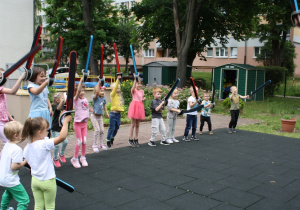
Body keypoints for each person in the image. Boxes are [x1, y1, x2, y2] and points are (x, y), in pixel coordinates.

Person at [22, 115, 72, 210]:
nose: (48, 132)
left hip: (35, 181)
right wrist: (65, 122)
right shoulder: (44, 144)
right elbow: (61, 137)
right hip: (48, 181)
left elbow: (27, 161)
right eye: (46, 130)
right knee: (49, 206)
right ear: (40, 132)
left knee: (38, 205)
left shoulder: (27, 148)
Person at [0, 121, 29, 210]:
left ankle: (3, 208)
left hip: (3, 178)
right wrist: (25, 161)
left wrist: (20, 159)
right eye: (21, 132)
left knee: (8, 193)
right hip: (11, 180)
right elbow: (14, 166)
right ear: (16, 135)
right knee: (24, 199)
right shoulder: (17, 149)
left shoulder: (6, 145)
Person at [0, 68, 26, 156]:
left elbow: (3, 107)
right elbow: (13, 91)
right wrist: (21, 77)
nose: (5, 79)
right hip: (0, 122)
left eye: (6, 77)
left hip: (4, 120)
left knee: (8, 143)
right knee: (8, 142)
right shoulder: (0, 89)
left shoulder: (2, 91)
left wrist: (10, 118)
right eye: (2, 77)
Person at [70, 77, 90, 168]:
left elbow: (85, 109)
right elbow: (77, 92)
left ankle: (83, 157)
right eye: (80, 90)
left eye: (83, 90)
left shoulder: (85, 99)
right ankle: (74, 158)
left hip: (84, 124)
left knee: (84, 141)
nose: (82, 92)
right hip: (78, 124)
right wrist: (81, 80)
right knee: (79, 141)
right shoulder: (76, 99)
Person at [27, 67, 52, 131]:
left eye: (45, 76)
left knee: (46, 131)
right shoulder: (31, 86)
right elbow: (36, 92)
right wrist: (45, 83)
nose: (44, 78)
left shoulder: (44, 87)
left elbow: (46, 97)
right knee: (37, 131)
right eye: (41, 76)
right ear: (34, 77)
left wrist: (50, 107)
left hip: (45, 111)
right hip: (37, 112)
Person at [127, 75, 146, 147]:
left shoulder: (142, 91)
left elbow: (141, 98)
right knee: (133, 124)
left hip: (140, 107)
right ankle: (130, 138)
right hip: (134, 107)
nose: (139, 85)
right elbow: (132, 88)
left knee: (138, 124)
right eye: (138, 84)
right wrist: (135, 80)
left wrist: (143, 99)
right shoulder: (133, 90)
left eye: (140, 84)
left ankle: (136, 138)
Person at [91, 81, 109, 153]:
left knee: (102, 130)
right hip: (94, 116)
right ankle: (95, 145)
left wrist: (106, 113)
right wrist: (99, 83)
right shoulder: (95, 97)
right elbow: (96, 93)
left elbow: (104, 106)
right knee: (97, 130)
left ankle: (101, 144)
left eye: (103, 91)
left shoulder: (104, 98)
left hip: (100, 117)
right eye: (101, 91)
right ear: (97, 91)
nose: (102, 92)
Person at [106, 75, 124, 148]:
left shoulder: (119, 96)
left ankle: (112, 137)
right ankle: (108, 139)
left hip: (118, 114)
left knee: (117, 127)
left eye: (119, 88)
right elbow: (115, 88)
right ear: (113, 89)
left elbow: (119, 105)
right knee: (112, 127)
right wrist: (117, 80)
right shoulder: (112, 95)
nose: (118, 90)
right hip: (113, 114)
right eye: (117, 88)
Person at [51, 92, 68, 167]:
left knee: (65, 142)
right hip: (55, 129)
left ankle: (61, 154)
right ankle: (55, 158)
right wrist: (61, 101)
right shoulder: (57, 106)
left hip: (62, 129)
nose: (63, 99)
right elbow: (58, 108)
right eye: (61, 98)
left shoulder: (64, 107)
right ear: (58, 100)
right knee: (57, 145)